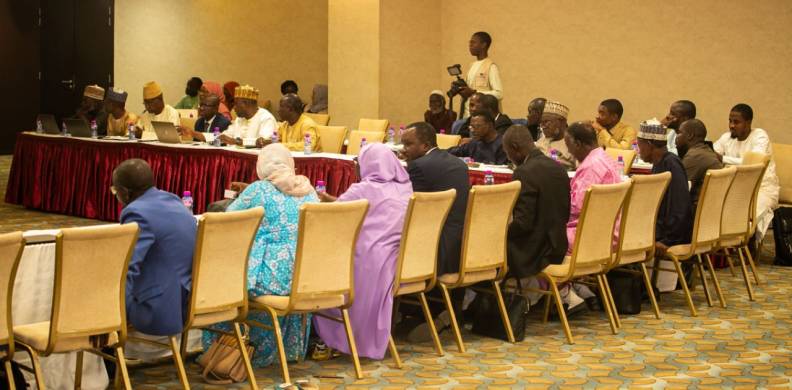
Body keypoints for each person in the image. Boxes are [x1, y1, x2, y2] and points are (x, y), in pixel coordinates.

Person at [202, 144, 319, 367]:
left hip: (271, 279)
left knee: (220, 279)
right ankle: (284, 350)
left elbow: (228, 217)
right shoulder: (308, 188)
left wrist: (249, 192)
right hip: (304, 276)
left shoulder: (258, 190)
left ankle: (226, 353)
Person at [313, 143, 412, 360]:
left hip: (367, 259)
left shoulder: (364, 188)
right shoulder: (405, 186)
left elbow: (340, 215)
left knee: (318, 266)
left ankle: (330, 338)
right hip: (397, 260)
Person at [112, 159, 195, 336]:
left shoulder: (136, 212)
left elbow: (128, 268)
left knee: (98, 302)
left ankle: (112, 362)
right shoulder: (173, 199)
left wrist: (112, 311)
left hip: (160, 309)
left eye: (115, 190)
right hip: (193, 300)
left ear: (125, 192)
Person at [400, 122, 469, 276]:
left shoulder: (418, 166)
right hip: (462, 244)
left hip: (435, 247)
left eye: (408, 144)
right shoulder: (459, 163)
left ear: (425, 146)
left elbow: (410, 210)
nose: (403, 149)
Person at [503, 125, 570, 278]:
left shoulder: (523, 172)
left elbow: (523, 223)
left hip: (533, 253)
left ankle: (485, 298)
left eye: (508, 153)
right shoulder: (558, 168)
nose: (509, 158)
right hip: (558, 246)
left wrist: (500, 231)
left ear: (515, 148)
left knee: (479, 246)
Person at [714, 103, 780, 239]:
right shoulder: (727, 137)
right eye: (730, 121)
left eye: (736, 122)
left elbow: (754, 162)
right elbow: (713, 153)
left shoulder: (760, 136)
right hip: (736, 188)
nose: (731, 125)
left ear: (748, 123)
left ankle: (747, 251)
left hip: (762, 189)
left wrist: (723, 159)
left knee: (745, 220)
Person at [636, 119, 693, 257]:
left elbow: (679, 206)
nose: (639, 151)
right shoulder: (658, 162)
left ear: (649, 145)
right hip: (660, 229)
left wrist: (669, 240)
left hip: (670, 236)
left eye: (640, 146)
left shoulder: (671, 164)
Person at [565, 121, 621, 251]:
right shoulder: (605, 158)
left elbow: (576, 207)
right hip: (611, 232)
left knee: (538, 234)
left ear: (578, 144)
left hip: (589, 237)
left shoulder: (591, 167)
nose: (568, 151)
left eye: (568, 146)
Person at [676, 119, 723, 209]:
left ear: (690, 136)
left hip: (699, 212)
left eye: (679, 133)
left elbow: (677, 188)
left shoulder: (694, 156)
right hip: (712, 209)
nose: (676, 137)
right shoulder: (705, 150)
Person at [458, 31, 502, 118]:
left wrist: (474, 92)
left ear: (483, 45)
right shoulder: (472, 66)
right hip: (467, 115)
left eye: (473, 42)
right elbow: (469, 91)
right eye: (470, 42)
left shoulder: (491, 66)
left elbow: (499, 93)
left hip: (484, 118)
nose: (470, 45)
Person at [536, 100, 576, 170]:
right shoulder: (541, 141)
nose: (542, 126)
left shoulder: (573, 144)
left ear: (561, 122)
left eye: (546, 122)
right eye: (541, 122)